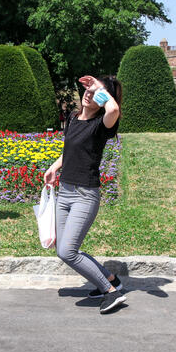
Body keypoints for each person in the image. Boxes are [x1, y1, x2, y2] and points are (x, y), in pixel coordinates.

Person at [44, 75, 125, 314]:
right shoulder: (73, 118)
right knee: (66, 248)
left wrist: (100, 88)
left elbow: (113, 108)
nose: (88, 93)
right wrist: (54, 167)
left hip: (85, 194)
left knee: (67, 251)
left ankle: (110, 292)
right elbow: (69, 149)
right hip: (65, 191)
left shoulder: (104, 124)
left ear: (102, 98)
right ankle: (111, 279)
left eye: (95, 92)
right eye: (87, 90)